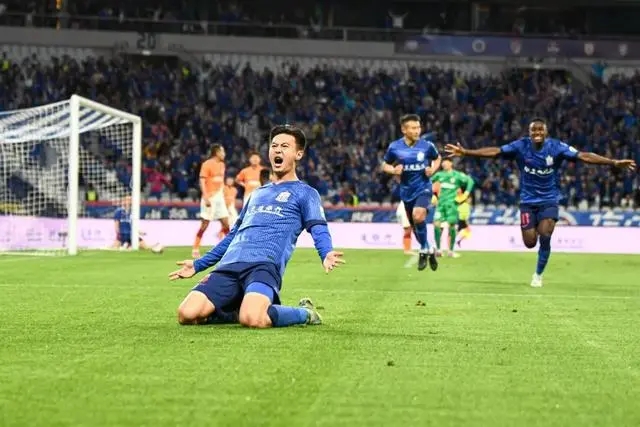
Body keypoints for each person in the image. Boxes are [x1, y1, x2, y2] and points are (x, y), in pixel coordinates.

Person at [169, 125, 345, 328]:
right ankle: (238, 308)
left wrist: (326, 252)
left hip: (263, 266)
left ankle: (305, 313)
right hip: (230, 265)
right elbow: (233, 236)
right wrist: (198, 265)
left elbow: (318, 227)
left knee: (253, 319)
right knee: (186, 314)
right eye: (274, 145)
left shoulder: (306, 193)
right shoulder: (257, 194)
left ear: (298, 154)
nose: (278, 150)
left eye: (285, 146)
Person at [445, 118, 637, 287]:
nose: (537, 133)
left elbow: (583, 156)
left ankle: (537, 275)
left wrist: (613, 162)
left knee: (545, 233)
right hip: (527, 202)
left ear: (546, 132)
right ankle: (537, 228)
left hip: (549, 200)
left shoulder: (556, 147)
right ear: (529, 133)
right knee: (530, 242)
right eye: (533, 130)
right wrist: (467, 152)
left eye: (540, 130)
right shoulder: (521, 146)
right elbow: (496, 151)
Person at [382, 114, 441, 271]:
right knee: (415, 227)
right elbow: (384, 165)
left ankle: (423, 249)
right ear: (404, 129)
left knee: (418, 215)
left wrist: (433, 169)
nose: (417, 131)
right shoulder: (395, 147)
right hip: (407, 192)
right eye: (413, 128)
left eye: (418, 127)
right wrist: (393, 170)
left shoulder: (427, 146)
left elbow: (437, 158)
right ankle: (428, 248)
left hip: (424, 188)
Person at [430, 159, 475, 258]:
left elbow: (470, 181)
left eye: (446, 162)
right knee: (436, 224)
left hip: (452, 205)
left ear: (451, 163)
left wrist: (466, 194)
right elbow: (428, 182)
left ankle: (451, 251)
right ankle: (438, 249)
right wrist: (432, 194)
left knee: (451, 227)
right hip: (440, 204)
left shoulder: (457, 175)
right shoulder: (439, 175)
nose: (444, 164)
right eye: (443, 162)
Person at [192, 144, 230, 258]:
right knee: (205, 224)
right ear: (217, 152)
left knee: (226, 223)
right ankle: (195, 247)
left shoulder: (222, 165)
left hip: (219, 197)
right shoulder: (207, 164)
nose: (224, 154)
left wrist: (224, 195)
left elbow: (221, 181)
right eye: (222, 151)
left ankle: (230, 246)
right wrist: (205, 196)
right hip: (209, 197)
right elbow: (202, 181)